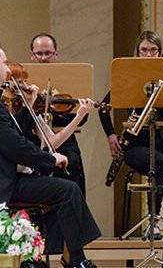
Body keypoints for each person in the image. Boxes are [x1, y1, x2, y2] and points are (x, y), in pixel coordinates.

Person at [0, 47, 100, 268]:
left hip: (16, 175)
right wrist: (51, 160)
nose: (7, 68)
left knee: (68, 186)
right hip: (6, 182)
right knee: (67, 190)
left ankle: (73, 256)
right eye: (4, 63)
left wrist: (30, 106)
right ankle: (75, 258)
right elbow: (17, 147)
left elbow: (20, 138)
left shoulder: (7, 107)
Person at [98, 31, 163, 238]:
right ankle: (154, 222)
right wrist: (111, 135)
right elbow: (103, 107)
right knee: (158, 162)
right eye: (144, 50)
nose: (148, 55)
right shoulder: (129, 77)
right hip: (135, 143)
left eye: (153, 50)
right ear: (137, 53)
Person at [28, 33, 87, 195]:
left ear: (56, 54)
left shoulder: (69, 78)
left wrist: (61, 109)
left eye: (48, 53)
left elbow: (82, 119)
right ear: (31, 56)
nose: (43, 58)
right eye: (39, 54)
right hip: (33, 140)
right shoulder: (26, 80)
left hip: (65, 138)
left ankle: (73, 214)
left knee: (73, 164)